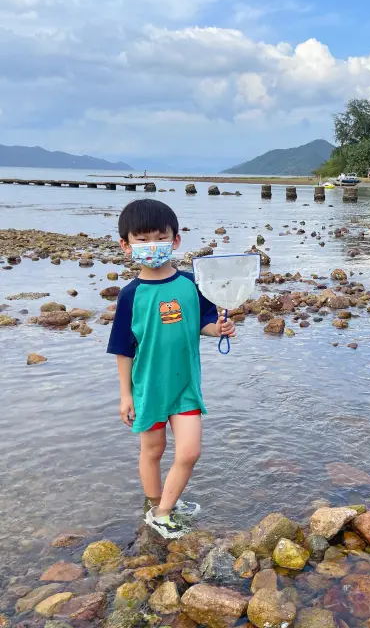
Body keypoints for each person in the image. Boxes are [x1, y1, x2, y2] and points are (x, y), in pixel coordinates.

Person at [107, 198, 236, 539]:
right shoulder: (130, 296)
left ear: (176, 239)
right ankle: (156, 505)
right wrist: (125, 395)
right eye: (142, 239)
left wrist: (218, 328)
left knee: (190, 451)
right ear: (126, 245)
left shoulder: (193, 285)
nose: (152, 246)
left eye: (160, 237)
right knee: (153, 450)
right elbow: (123, 348)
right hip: (148, 387)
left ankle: (163, 511)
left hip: (185, 386)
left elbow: (204, 324)